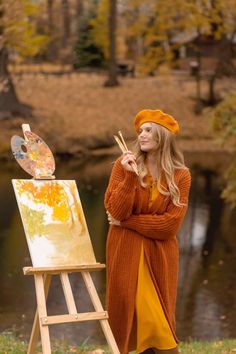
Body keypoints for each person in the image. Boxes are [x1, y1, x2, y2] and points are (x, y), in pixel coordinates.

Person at [104, 109, 191, 354]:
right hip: (124, 250)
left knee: (157, 322)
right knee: (130, 317)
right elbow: (116, 211)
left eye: (148, 130)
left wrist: (128, 223)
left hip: (159, 254)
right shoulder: (123, 168)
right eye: (140, 130)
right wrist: (130, 178)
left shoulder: (181, 176)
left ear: (163, 137)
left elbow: (168, 226)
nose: (141, 135)